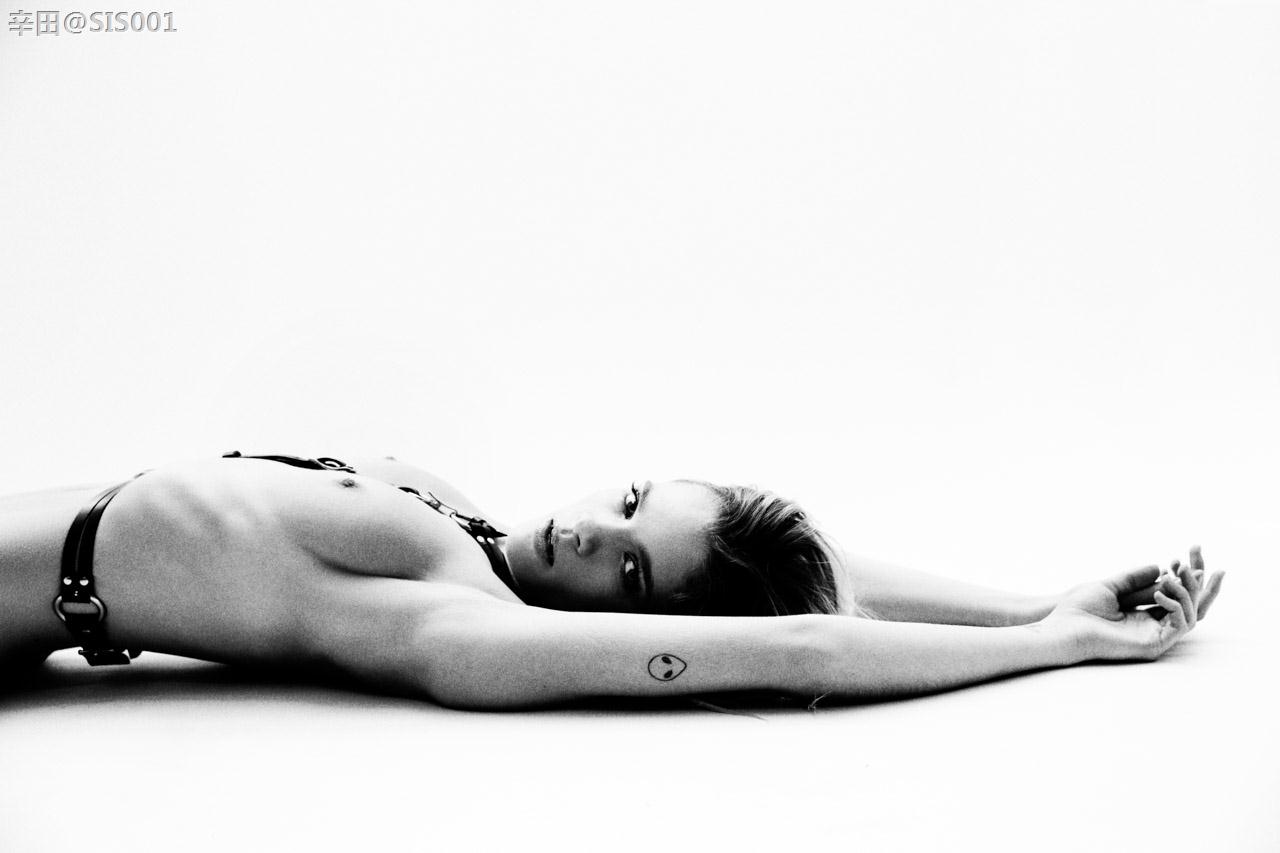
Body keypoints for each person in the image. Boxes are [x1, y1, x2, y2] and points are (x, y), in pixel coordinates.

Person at [0, 451, 1224, 709]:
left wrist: (1055, 644)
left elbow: (798, 644)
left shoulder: (457, 624)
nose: (588, 530)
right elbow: (820, 580)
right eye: (630, 499)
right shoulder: (466, 523)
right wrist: (1032, 594)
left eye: (628, 565)